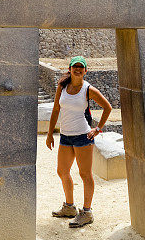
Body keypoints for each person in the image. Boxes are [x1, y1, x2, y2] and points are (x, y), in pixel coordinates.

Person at [46, 56, 112, 228]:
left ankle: (87, 212)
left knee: (85, 175)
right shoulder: (62, 87)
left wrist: (97, 129)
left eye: (80, 67)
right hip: (65, 136)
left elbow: (108, 107)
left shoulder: (88, 89)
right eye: (74, 67)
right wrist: (49, 133)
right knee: (62, 171)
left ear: (85, 71)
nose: (77, 70)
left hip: (83, 136)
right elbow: (55, 109)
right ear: (70, 69)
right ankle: (69, 207)